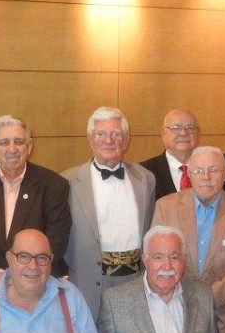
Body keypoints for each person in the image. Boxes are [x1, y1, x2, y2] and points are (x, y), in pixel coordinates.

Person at [0, 115, 72, 305]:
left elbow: (56, 239)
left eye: (19, 142)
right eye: (4, 142)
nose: (12, 149)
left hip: (34, 287)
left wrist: (22, 275)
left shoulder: (53, 185)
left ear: (29, 146)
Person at [151, 146, 225, 333]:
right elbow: (156, 258)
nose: (206, 177)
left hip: (220, 313)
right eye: (199, 171)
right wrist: (180, 296)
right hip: (172, 308)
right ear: (189, 174)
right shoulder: (165, 207)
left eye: (214, 170)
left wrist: (208, 298)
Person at [63, 107, 156, 318]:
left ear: (126, 139)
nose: (108, 140)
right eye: (101, 134)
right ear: (90, 139)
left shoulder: (145, 178)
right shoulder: (68, 182)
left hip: (135, 279)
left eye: (116, 134)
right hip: (88, 279)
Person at [97, 225, 221, 333]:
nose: (167, 266)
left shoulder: (204, 296)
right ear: (145, 259)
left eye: (174, 258)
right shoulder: (115, 301)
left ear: (184, 260)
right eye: (158, 257)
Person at [139, 108, 202, 200]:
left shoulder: (213, 170)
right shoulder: (144, 171)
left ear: (198, 133)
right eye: (176, 128)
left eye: (190, 127)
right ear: (163, 133)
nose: (183, 133)